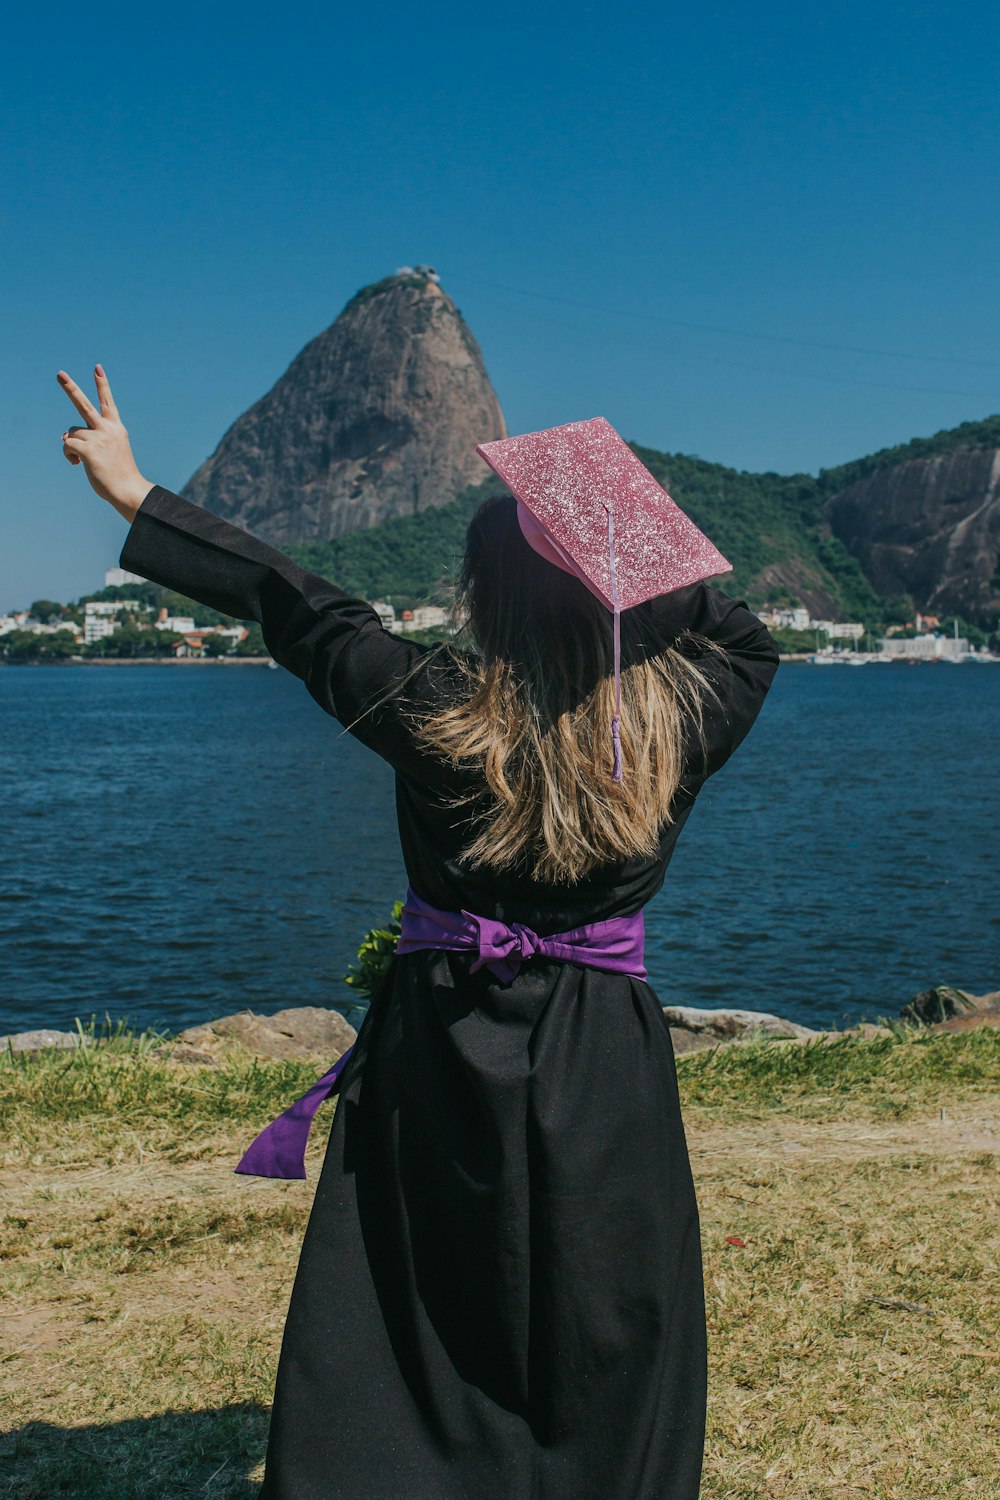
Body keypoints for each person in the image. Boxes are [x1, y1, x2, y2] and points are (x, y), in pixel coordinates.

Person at [58, 366, 780, 1499]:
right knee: (607, 1279)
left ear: (478, 599)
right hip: (605, 1041)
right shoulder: (687, 715)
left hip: (443, 1032)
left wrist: (133, 492)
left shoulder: (432, 706)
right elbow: (736, 630)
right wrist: (598, 523)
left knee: (418, 1275)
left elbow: (295, 601)